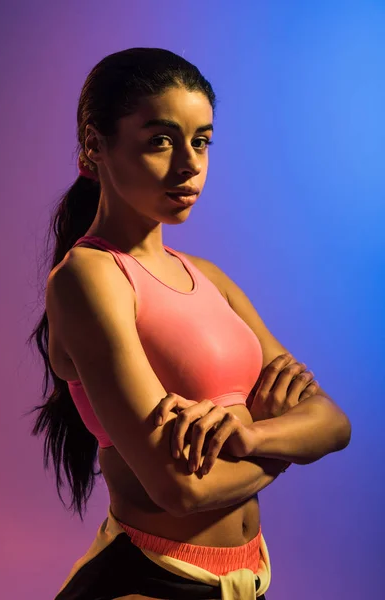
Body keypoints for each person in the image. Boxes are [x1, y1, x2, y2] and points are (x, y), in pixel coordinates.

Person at [26, 48, 351, 600]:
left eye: (201, 141)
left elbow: (333, 422)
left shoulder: (207, 277)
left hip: (247, 577)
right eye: (160, 140)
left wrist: (247, 434)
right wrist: (287, 445)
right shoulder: (90, 278)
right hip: (148, 581)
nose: (189, 163)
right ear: (93, 144)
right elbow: (178, 489)